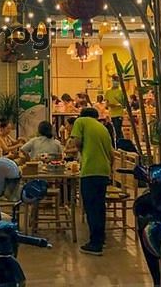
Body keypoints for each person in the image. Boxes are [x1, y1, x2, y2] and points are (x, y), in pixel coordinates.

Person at [71, 107, 113, 256]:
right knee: (99, 207)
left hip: (90, 170)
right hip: (103, 171)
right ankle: (101, 238)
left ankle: (95, 244)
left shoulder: (81, 121)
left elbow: (77, 142)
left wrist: (82, 150)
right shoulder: (103, 128)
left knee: (91, 207)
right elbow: (111, 153)